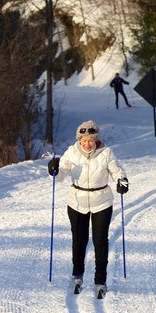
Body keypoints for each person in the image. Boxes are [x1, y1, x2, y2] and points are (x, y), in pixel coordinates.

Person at [47, 120, 129, 299]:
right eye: (84, 140)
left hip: (101, 201)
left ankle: (100, 280)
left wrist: (121, 180)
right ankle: (77, 275)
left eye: (91, 140)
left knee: (100, 241)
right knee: (79, 239)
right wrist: (53, 170)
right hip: (77, 201)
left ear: (96, 139)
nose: (87, 144)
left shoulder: (106, 153)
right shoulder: (72, 152)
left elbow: (117, 171)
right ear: (79, 139)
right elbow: (61, 174)